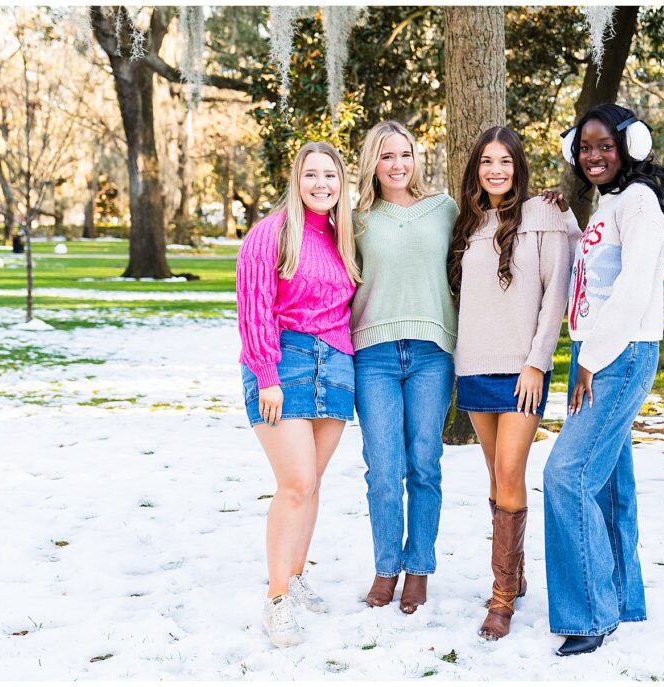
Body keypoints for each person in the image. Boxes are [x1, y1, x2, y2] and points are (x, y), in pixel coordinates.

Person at [542, 103, 664, 656]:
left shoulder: (640, 203)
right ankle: (622, 596)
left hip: (617, 355)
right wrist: (569, 224)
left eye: (604, 146)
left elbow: (632, 290)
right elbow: (596, 272)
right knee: (611, 481)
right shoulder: (611, 204)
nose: (593, 156)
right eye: (585, 147)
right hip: (598, 352)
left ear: (630, 146)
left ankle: (590, 614)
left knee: (565, 476)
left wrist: (592, 358)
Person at [447, 126, 574, 640]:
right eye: (486, 162)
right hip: (474, 364)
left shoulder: (543, 214)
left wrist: (537, 362)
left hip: (522, 369)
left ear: (518, 166)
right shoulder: (468, 224)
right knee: (495, 478)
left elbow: (556, 290)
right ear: (476, 168)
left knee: (510, 470)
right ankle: (513, 574)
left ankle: (501, 598)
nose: (495, 170)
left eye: (504, 161)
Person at [235, 141, 361, 648]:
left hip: (336, 365)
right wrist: (265, 373)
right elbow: (254, 307)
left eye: (330, 176)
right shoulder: (271, 234)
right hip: (282, 364)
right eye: (311, 175)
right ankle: (277, 597)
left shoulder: (341, 238)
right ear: (296, 179)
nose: (321, 184)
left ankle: (297, 572)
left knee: (313, 484)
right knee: (295, 482)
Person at [351, 121, 458, 614]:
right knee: (382, 469)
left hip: (432, 352)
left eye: (406, 155)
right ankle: (385, 566)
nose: (397, 164)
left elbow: (493, 229)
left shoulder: (444, 210)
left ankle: (419, 569)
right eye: (387, 156)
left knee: (424, 465)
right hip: (372, 353)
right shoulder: (355, 220)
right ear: (373, 162)